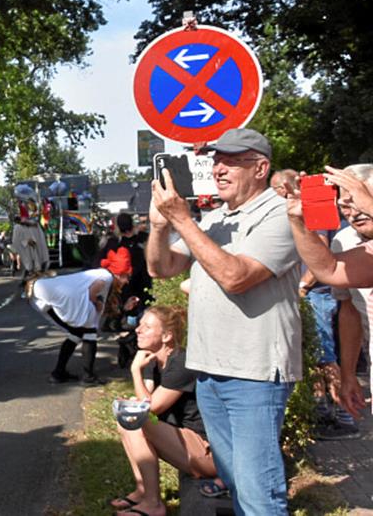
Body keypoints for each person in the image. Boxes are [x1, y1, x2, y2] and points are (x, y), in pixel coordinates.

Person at [146, 128, 301, 515]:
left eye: (231, 161)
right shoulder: (215, 218)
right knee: (235, 485)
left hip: (254, 373)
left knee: (258, 493)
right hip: (210, 370)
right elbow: (161, 267)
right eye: (216, 160)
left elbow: (237, 277)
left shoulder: (280, 215)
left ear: (261, 168)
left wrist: (183, 220)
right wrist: (161, 226)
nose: (218, 169)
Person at [111, 306, 218, 516]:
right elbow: (145, 400)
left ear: (167, 336)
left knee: (135, 419)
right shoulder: (154, 361)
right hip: (185, 443)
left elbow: (152, 407)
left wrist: (135, 372)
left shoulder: (181, 363)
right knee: (127, 420)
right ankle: (143, 491)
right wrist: (134, 399)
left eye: (147, 326)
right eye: (140, 324)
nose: (138, 330)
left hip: (206, 452)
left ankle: (153, 504)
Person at [285, 164, 373, 417]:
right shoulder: (346, 240)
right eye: (344, 205)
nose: (353, 212)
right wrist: (297, 220)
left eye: (356, 200)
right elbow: (330, 271)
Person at [28, 246, 132, 385]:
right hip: (46, 296)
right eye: (126, 276)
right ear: (119, 273)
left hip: (43, 295)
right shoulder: (106, 277)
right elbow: (92, 293)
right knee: (89, 333)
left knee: (76, 333)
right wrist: (98, 304)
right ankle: (88, 377)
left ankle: (59, 373)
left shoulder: (104, 274)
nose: (127, 281)